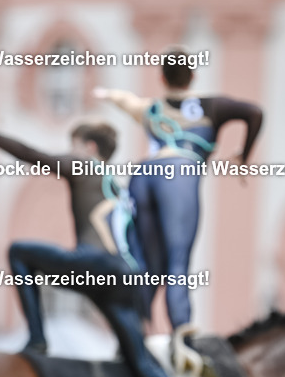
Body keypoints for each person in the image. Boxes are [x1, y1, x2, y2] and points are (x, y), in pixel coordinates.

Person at [0, 97, 228, 377]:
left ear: (88, 147)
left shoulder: (84, 162)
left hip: (94, 265)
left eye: (73, 147)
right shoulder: (119, 188)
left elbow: (33, 155)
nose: (68, 155)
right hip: (126, 279)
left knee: (19, 252)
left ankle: (38, 340)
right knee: (143, 366)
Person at [94, 47, 263, 329]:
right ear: (193, 76)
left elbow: (124, 99)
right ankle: (182, 336)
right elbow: (255, 113)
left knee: (147, 267)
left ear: (161, 78)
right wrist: (244, 155)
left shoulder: (151, 109)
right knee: (177, 265)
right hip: (178, 173)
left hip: (144, 174)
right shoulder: (212, 106)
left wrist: (106, 94)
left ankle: (138, 333)